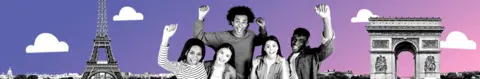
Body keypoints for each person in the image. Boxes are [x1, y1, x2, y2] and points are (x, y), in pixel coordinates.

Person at [194, 5, 268, 79]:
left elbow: (263, 41)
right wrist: (201, 17)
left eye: (244, 22)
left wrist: (262, 27)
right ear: (232, 22)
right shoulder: (222, 37)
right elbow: (200, 37)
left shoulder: (251, 35)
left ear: (247, 24)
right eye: (237, 21)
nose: (240, 25)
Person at [287, 4, 335, 79]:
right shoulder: (289, 58)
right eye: (294, 39)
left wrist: (326, 20)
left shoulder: (311, 55)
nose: (295, 42)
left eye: (300, 40)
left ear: (306, 43)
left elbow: (327, 48)